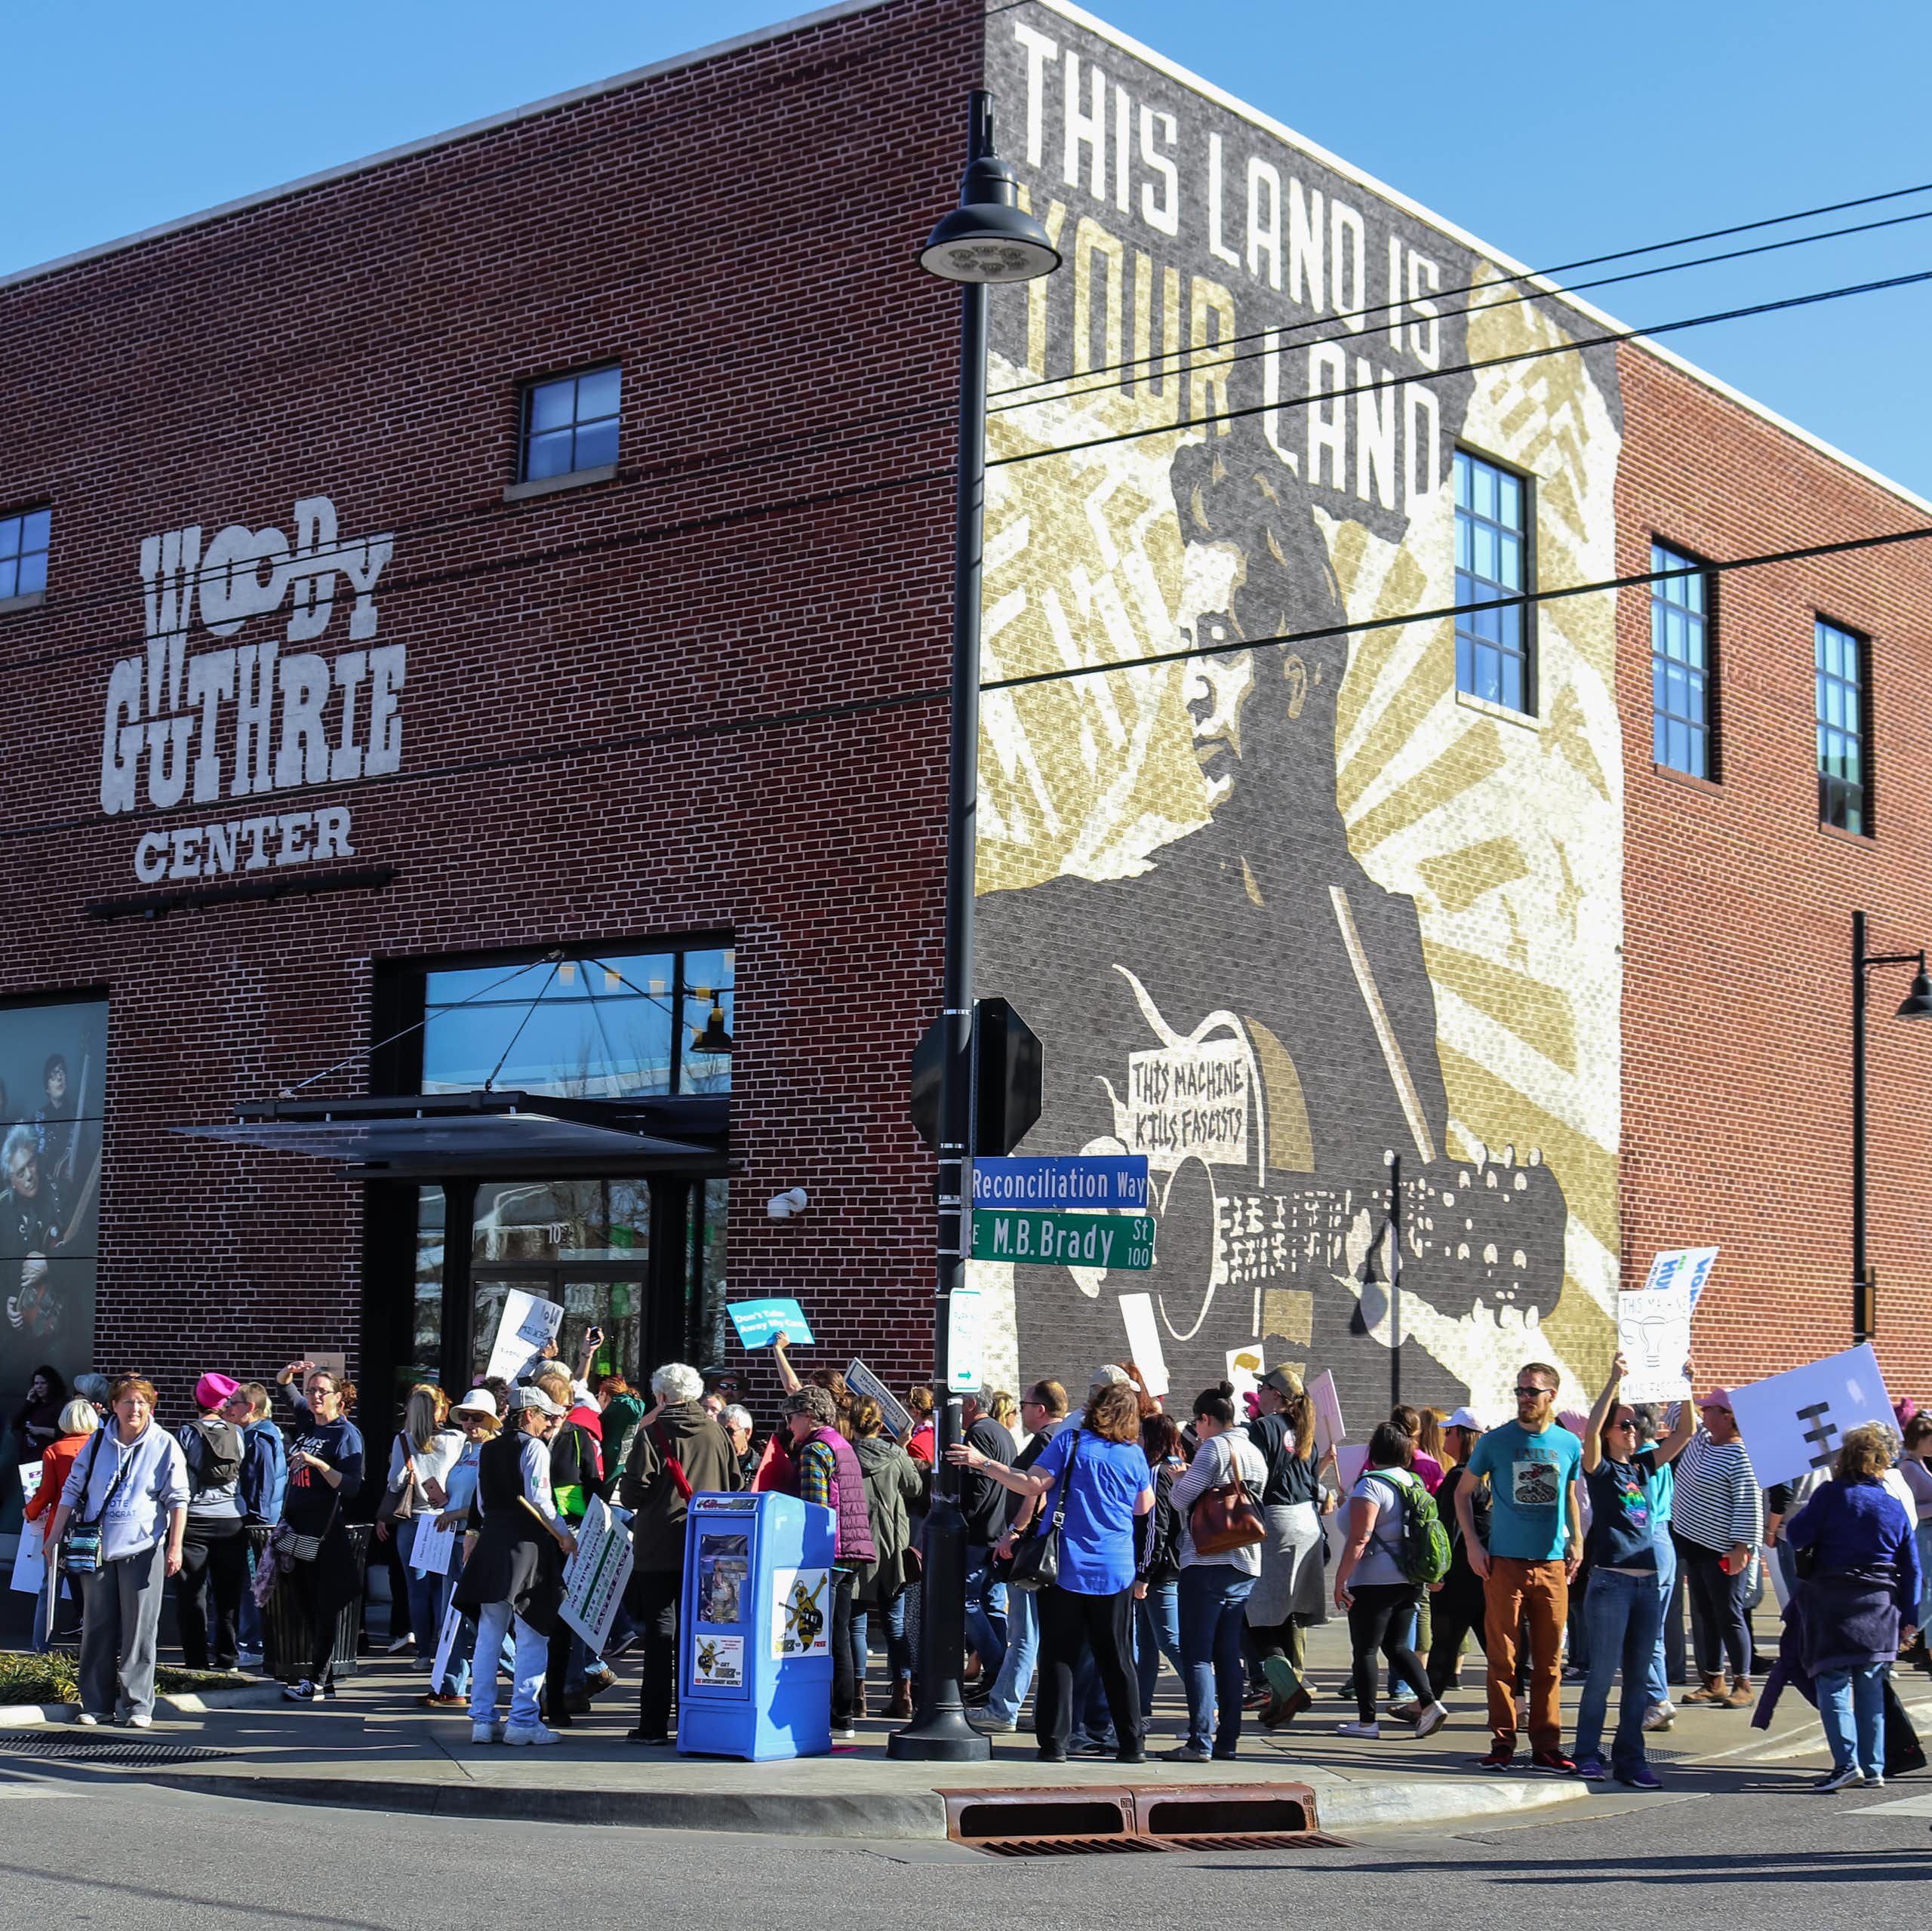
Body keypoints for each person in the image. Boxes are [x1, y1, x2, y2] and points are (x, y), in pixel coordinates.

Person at [949, 1379, 1152, 1764]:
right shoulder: (1134, 1455)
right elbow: (1144, 1507)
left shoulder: (1071, 1442)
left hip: (1067, 1567)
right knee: (1118, 1658)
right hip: (1116, 1570)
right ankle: (1131, 1744)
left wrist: (984, 1463)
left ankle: (1055, 1743)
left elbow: (1031, 1484)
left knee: (1059, 1654)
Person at [1571, 1351, 1697, 1785]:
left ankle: (1631, 1759)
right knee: (1602, 1676)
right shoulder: (1600, 1469)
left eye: (1634, 1425)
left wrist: (1685, 1384)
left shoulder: (1643, 1467)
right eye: (1622, 1425)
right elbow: (1589, 1433)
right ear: (1608, 1433)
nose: (1631, 1430)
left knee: (1639, 1680)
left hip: (1647, 1586)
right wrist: (1613, 1382)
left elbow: (1685, 1432)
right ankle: (1587, 1752)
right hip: (1611, 1583)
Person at [1456, 1359, 1583, 1771]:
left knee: (1548, 1661)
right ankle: (1502, 1743)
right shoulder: (1495, 1443)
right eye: (1520, 1391)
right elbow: (1462, 1494)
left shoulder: (1569, 1444)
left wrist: (1577, 1539)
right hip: (1504, 1564)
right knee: (1502, 1659)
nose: (1524, 1398)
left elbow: (1569, 1495)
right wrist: (1474, 1545)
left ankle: (1546, 1744)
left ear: (1552, 1396)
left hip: (1551, 1565)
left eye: (1532, 1391)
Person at [1785, 1422, 1924, 1791]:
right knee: (1870, 1688)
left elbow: (1797, 1535)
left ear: (1843, 1457)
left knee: (1832, 1684)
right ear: (1883, 1461)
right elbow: (1912, 1568)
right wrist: (1909, 1619)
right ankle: (1874, 1766)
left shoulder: (1831, 1495)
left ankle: (1846, 1763)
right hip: (1880, 1606)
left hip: (1832, 1602)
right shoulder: (1893, 1506)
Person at [45, 1376, 189, 1727]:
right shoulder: (97, 1442)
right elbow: (71, 1489)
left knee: (140, 1628)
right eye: (127, 1402)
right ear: (113, 1406)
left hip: (143, 1548)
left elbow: (178, 1498)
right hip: (98, 1549)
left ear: (151, 1407)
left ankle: (138, 1705)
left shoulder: (163, 1444)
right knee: (97, 1625)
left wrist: (175, 1546)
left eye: (142, 1402)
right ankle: (96, 1704)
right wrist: (54, 1536)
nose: (135, 1409)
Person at [620, 1361, 742, 1744]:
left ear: (660, 1396)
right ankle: (698, 1718)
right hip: (711, 1548)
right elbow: (736, 1484)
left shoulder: (652, 1433)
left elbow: (633, 1493)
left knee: (660, 1633)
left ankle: (653, 1725)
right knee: (705, 1633)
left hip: (658, 1547)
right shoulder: (719, 1433)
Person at [454, 1385, 577, 1746]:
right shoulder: (533, 1446)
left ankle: (482, 1718)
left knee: (490, 1633)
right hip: (527, 1546)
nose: (549, 1421)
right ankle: (523, 1719)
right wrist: (564, 1535)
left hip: (493, 1542)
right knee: (532, 1634)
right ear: (528, 1415)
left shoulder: (487, 1449)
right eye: (544, 1414)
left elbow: (481, 1501)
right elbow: (540, 1499)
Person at [1162, 1382, 1272, 1761]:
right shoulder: (1254, 1451)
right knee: (1228, 1655)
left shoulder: (1214, 1447)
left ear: (1207, 1419)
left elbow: (1179, 1500)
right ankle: (1228, 1740)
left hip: (1208, 1561)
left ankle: (1199, 1741)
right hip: (1245, 1562)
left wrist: (1178, 1476)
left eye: (1198, 1422)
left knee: (1196, 1653)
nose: (1198, 1430)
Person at [1331, 1419, 1449, 1739]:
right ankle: (1429, 1703)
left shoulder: (1370, 1485)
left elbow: (1360, 1538)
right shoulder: (1412, 1482)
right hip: (1408, 1579)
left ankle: (1367, 1722)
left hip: (1372, 1580)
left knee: (1366, 1651)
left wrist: (1341, 1580)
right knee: (1398, 1646)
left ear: (1373, 1451)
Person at [973, 1379, 1072, 1733]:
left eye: (1026, 1404)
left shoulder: (1047, 1440)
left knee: (1024, 1634)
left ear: (1041, 1410)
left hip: (1032, 1549)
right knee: (1037, 1634)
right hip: (1047, 1549)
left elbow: (1036, 1491)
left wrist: (1015, 1532)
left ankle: (1003, 1709)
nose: (1022, 1409)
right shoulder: (1063, 1438)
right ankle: (1036, 1709)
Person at [780, 1385, 876, 1738]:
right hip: (852, 1549)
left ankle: (833, 1713)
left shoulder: (815, 1450)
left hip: (829, 1551)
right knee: (843, 1631)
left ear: (807, 1415)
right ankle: (844, 1716)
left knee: (824, 1636)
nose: (790, 1427)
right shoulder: (842, 1444)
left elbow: (814, 1510)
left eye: (791, 1418)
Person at [1241, 1368, 1325, 1727]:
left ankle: (1287, 1689)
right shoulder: (1306, 1433)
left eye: (1262, 1387)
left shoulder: (1263, 1428)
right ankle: (1282, 1697)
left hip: (1277, 1522)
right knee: (1287, 1614)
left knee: (1254, 1614)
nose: (1258, 1393)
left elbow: (1252, 1475)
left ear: (1275, 1394)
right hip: (1306, 1520)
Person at [278, 1365, 365, 1702]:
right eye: (312, 1389)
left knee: (324, 1606)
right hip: (297, 1529)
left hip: (326, 1533)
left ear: (339, 1398)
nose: (315, 1396)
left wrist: (319, 1465)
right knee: (304, 1604)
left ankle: (315, 1681)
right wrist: (289, 1373)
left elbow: (353, 1486)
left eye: (322, 1391)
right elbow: (285, 1389)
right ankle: (322, 1680)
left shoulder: (346, 1434)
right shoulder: (308, 1421)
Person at [1672, 1387, 1762, 1709]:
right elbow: (1678, 1415)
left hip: (1723, 1549)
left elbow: (1748, 1505)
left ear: (1728, 1418)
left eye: (1709, 1409)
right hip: (1693, 1541)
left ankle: (1743, 1682)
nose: (1702, 1412)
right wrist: (1683, 1382)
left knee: (1729, 1614)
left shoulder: (1741, 1456)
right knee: (1704, 1613)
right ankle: (1713, 1680)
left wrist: (1742, 1547)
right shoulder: (1699, 1440)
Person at [422, 1388, 505, 1708]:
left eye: (477, 1417)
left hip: (474, 1541)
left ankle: (527, 1675)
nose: (470, 1423)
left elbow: (487, 1502)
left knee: (476, 1616)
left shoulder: (492, 1452)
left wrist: (456, 1513)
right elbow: (465, 1495)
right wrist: (444, 1502)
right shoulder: (467, 1449)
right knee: (452, 1616)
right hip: (452, 1539)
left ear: (491, 1420)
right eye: (466, 1417)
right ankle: (452, 1684)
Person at [380, 1384, 463, 1670]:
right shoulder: (456, 1439)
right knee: (443, 1587)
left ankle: (423, 1654)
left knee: (416, 1589)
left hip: (413, 1520)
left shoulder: (402, 1441)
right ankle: (444, 1648)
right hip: (444, 1519)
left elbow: (394, 1482)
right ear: (439, 1409)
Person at [850, 1396, 922, 1721]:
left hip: (856, 1545)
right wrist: (903, 1450)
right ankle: (903, 1695)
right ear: (880, 1425)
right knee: (894, 1624)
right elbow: (916, 1487)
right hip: (892, 1547)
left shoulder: (845, 1454)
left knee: (856, 1624)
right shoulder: (894, 1455)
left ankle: (858, 1697)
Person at [176, 1370, 249, 1673]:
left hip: (194, 1520)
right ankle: (228, 1657)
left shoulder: (187, 1433)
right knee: (228, 1593)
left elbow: (179, 1479)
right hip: (232, 1519)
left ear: (196, 1400)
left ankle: (196, 1660)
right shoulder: (238, 1433)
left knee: (192, 1593)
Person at [22, 1395, 97, 1651]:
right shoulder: (102, 1447)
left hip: (61, 1526)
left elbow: (47, 1492)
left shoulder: (55, 1450)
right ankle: (97, 1646)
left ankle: (40, 1645)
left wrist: (30, 1512)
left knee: (50, 1587)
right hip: (95, 1525)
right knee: (94, 1588)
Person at [1426, 1407, 1490, 1699]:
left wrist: (1437, 1573)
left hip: (1458, 1575)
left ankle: (1426, 1704)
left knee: (1444, 1642)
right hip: (1483, 1573)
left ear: (1465, 1437)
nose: (1445, 1436)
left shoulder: (1459, 1478)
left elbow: (1447, 1530)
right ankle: (1518, 1703)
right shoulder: (1487, 1478)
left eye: (1450, 1431)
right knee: (1493, 1643)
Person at [958, 1388, 1017, 1689]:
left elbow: (978, 1488)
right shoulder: (1001, 1432)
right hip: (996, 1530)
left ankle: (997, 1664)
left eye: (959, 1402)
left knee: (965, 1600)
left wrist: (961, 1520)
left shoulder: (979, 1433)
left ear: (970, 1404)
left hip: (979, 1532)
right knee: (992, 1603)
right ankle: (997, 1675)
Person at [225, 1381, 286, 1668]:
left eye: (233, 1403)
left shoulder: (259, 1439)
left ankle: (253, 1644)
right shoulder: (261, 1434)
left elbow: (262, 1486)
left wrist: (257, 1526)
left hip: (259, 1525)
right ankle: (253, 1641)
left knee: (254, 1585)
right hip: (261, 1523)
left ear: (250, 1409)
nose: (228, 1408)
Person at [1135, 1410, 1188, 1724]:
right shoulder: (1177, 1468)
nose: (1137, 1440)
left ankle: (1207, 1697)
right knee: (1146, 1642)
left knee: (1169, 1640)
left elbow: (1158, 1527)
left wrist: (1144, 1573)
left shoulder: (1157, 1473)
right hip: (1166, 1567)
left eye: (1142, 1435)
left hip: (1159, 1571)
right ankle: (1140, 1708)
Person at [1897, 1414, 1932, 1671]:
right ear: (1918, 1440)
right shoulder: (1908, 1467)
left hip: (1927, 1534)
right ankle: (1905, 1635)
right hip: (1922, 1535)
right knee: (1928, 1593)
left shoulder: (1919, 1463)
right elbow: (1908, 1509)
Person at [12, 1363, 67, 1460]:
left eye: (43, 1383)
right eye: (36, 1384)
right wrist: (28, 1403)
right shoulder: (33, 1405)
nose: (39, 1387)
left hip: (49, 1457)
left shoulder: (61, 1405)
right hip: (29, 1458)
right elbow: (16, 1425)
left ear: (52, 1384)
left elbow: (64, 1432)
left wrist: (41, 1430)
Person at [720, 1404, 758, 1481]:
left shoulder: (760, 1470)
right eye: (719, 1431)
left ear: (747, 1432)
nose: (723, 1436)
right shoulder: (709, 1465)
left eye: (729, 1431)